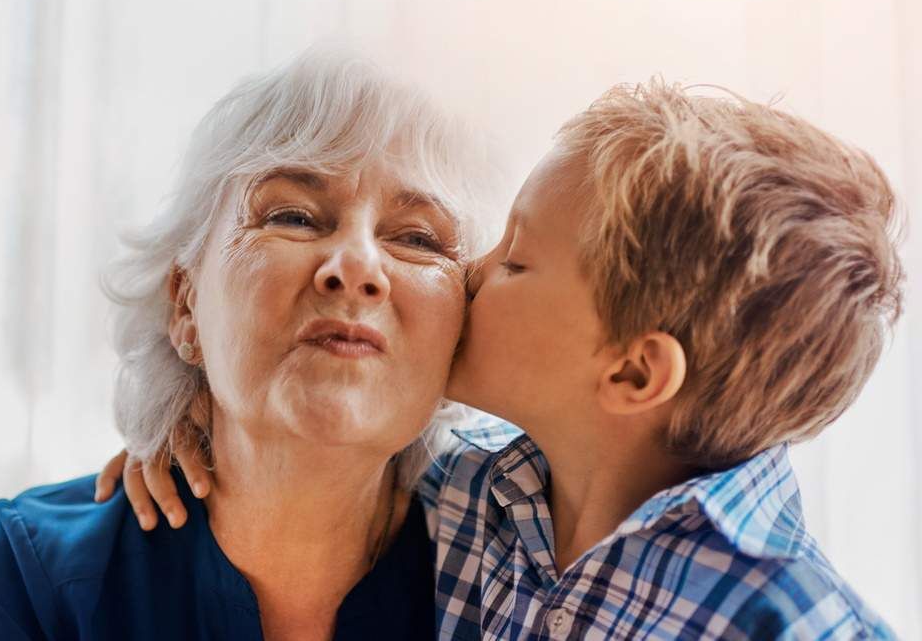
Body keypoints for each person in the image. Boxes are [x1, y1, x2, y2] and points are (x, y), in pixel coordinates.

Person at [102, 80, 902, 639]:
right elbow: (313, 455)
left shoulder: (794, 620)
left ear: (631, 373)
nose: (470, 270)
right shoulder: (478, 499)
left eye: (515, 261)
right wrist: (195, 424)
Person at [0, 52, 507, 640]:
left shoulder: (514, 583)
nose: (357, 265)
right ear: (186, 305)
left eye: (418, 238)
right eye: (295, 217)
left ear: (461, 334)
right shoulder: (29, 575)